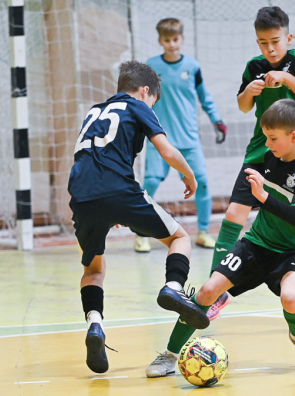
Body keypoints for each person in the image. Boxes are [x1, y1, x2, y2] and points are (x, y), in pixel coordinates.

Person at [145, 99, 295, 377]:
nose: (267, 144)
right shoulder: (267, 158)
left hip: (293, 251)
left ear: (294, 137)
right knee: (207, 292)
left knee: (291, 298)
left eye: (272, 138)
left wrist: (262, 196)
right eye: (265, 138)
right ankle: (169, 355)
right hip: (256, 244)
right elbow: (242, 200)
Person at [68, 60, 210, 374]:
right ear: (145, 91)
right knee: (180, 238)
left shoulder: (93, 111)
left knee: (93, 270)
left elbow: (93, 158)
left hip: (81, 196)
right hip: (118, 189)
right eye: (153, 101)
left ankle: (95, 325)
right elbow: (167, 150)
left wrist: (109, 207)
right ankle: (173, 286)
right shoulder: (137, 105)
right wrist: (189, 176)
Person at [206, 6, 295, 332]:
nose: (270, 49)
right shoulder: (254, 66)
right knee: (234, 214)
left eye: (275, 41)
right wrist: (249, 91)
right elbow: (244, 106)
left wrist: (287, 78)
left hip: (291, 158)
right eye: (263, 43)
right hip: (260, 152)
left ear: (288, 37)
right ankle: (217, 289)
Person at [134, 18, 227, 253]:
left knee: (202, 182)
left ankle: (203, 232)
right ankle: (141, 234)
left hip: (189, 140)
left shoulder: (192, 66)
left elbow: (204, 96)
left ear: (182, 39)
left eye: (175, 39)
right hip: (160, 139)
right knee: (150, 183)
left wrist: (216, 120)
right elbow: (141, 100)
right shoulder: (151, 67)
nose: (172, 44)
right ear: (160, 41)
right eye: (167, 40)